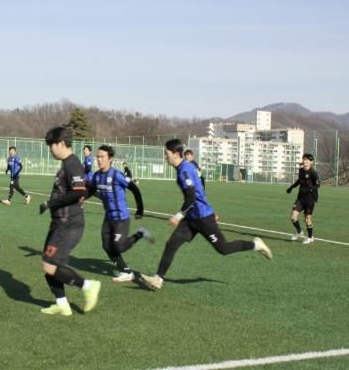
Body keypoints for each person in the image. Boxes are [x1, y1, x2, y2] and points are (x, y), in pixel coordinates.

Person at [141, 139, 272, 291]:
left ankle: (256, 245)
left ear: (176, 154)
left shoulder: (184, 170)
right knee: (172, 244)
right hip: (192, 218)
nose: (165, 157)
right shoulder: (185, 168)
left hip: (203, 218)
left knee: (223, 249)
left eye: (167, 153)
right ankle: (158, 279)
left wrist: (178, 215)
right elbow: (199, 189)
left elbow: (191, 197)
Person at [38, 126, 101, 316]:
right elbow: (85, 189)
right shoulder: (67, 163)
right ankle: (62, 304)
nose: (50, 150)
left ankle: (88, 286)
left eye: (51, 145)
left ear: (61, 144)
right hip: (60, 222)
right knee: (48, 264)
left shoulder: (72, 163)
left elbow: (78, 191)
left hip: (68, 223)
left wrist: (50, 203)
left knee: (50, 265)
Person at [88, 145, 154, 283]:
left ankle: (140, 233)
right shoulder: (97, 176)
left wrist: (140, 210)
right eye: (97, 157)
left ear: (110, 159)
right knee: (106, 246)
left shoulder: (117, 175)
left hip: (121, 218)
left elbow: (135, 189)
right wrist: (80, 198)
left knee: (119, 246)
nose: (99, 159)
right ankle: (127, 272)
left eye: (102, 157)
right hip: (108, 218)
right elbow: (91, 190)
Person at [287, 154, 320, 244]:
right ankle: (299, 231)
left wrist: (310, 189)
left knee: (307, 219)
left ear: (311, 162)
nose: (304, 161)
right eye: (304, 159)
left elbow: (317, 185)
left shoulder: (313, 172)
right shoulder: (301, 170)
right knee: (293, 217)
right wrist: (291, 187)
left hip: (310, 199)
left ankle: (310, 237)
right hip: (300, 198)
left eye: (307, 160)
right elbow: (299, 181)